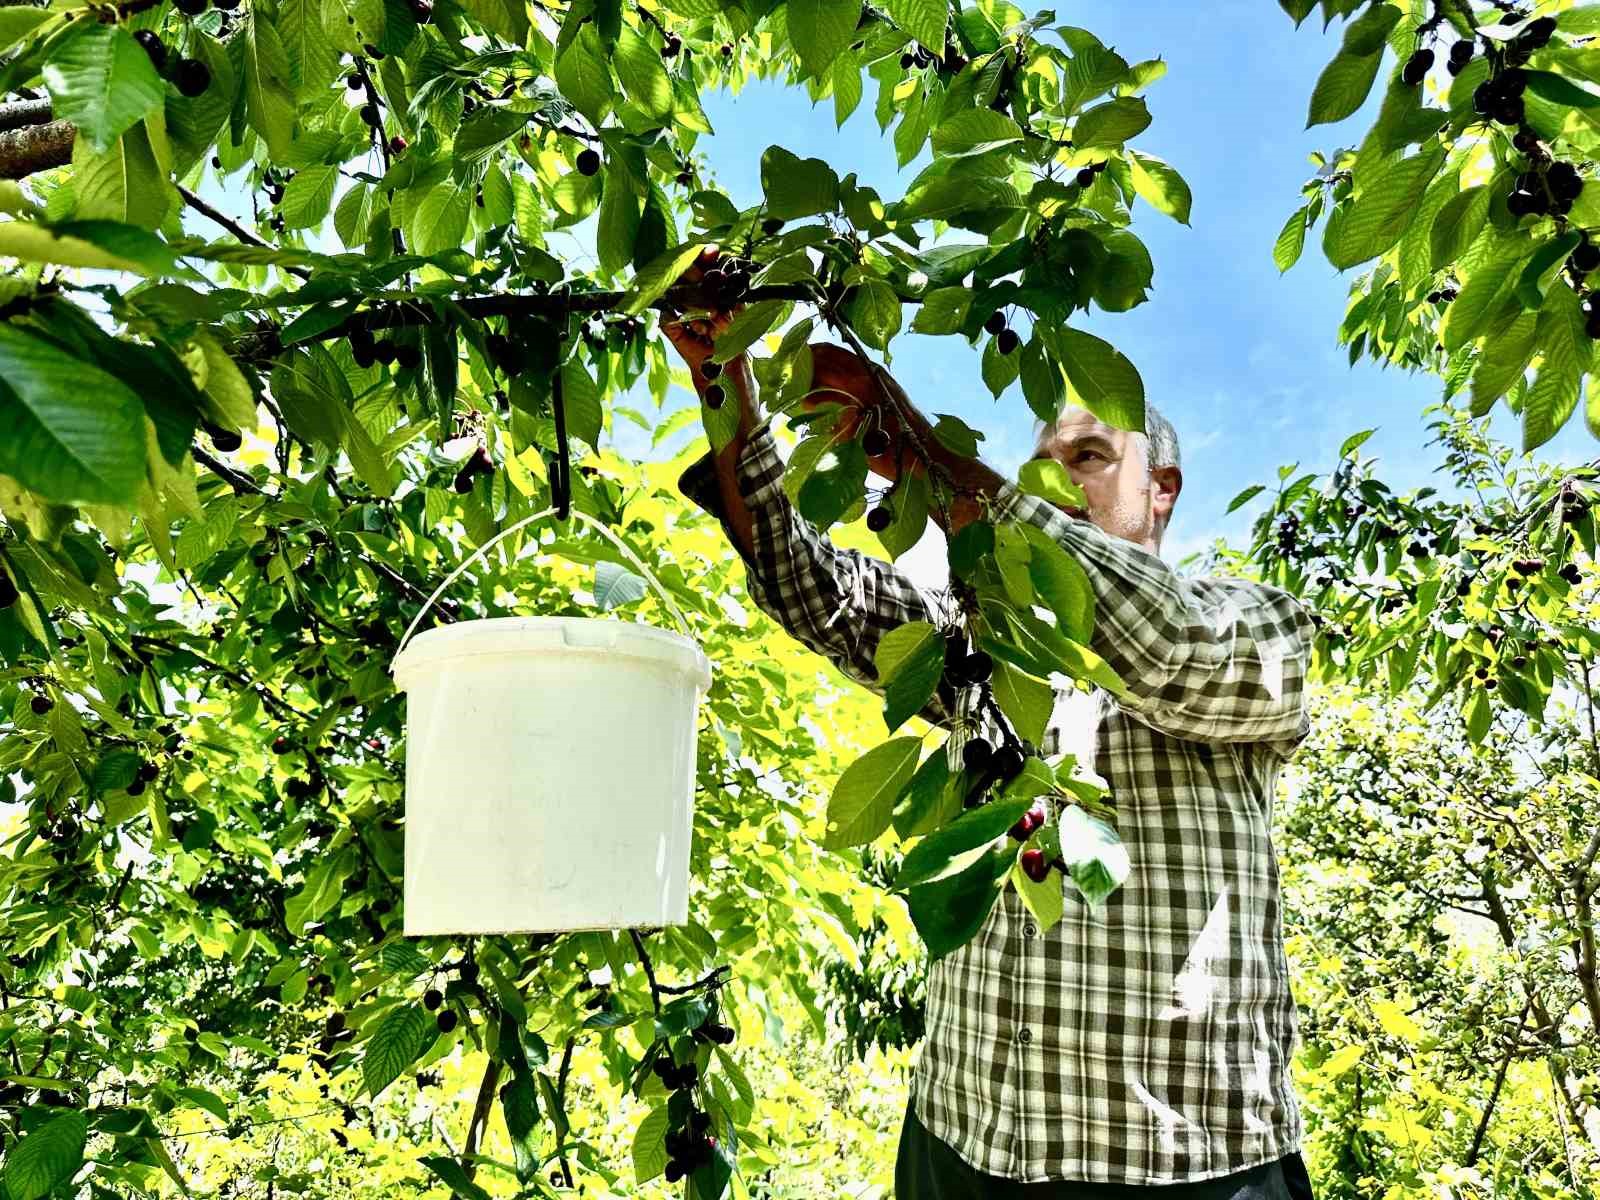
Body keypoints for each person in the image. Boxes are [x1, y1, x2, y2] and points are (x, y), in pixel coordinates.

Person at [663, 247, 1318, 1199]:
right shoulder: (983, 652)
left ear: (1162, 489)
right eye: (1040, 465)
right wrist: (726, 382)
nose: (1056, 481)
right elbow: (820, 591)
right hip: (957, 1145)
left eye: (1090, 457)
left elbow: (1164, 641)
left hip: (1183, 1174)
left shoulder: (1259, 627)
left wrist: (940, 466)